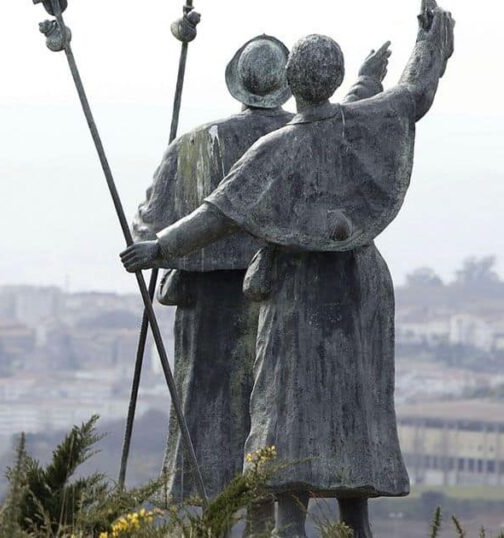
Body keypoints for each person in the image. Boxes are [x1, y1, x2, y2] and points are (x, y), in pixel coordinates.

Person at [122, 2, 453, 536]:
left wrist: (157, 249)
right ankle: (355, 523)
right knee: (354, 407)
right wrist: (430, 41)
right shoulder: (365, 122)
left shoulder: (275, 149)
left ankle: (288, 525)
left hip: (301, 290)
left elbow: (215, 214)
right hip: (361, 285)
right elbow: (415, 92)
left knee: (287, 405)